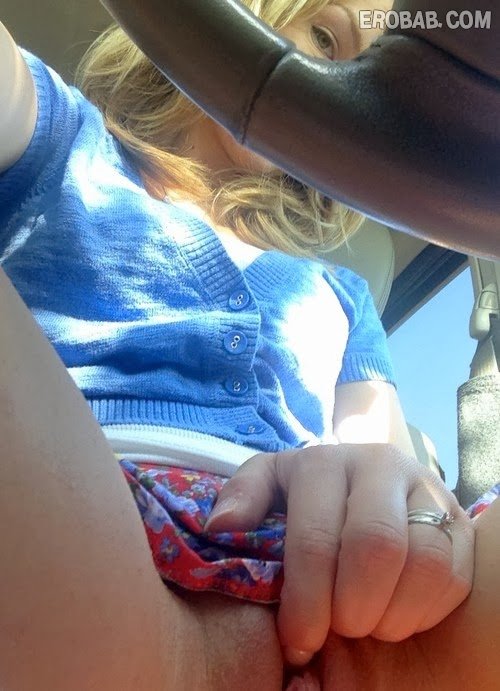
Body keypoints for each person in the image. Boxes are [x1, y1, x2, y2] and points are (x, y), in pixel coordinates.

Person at [0, 0, 492, 688]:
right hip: (84, 531)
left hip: (330, 608)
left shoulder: (341, 293)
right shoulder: (62, 140)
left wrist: (400, 502)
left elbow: (386, 465)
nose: (349, 95)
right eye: (326, 36)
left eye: (377, 89)